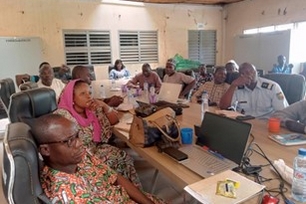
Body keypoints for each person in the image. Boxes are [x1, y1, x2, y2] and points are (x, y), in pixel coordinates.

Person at [31, 114, 166, 203]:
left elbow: (115, 177)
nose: (79, 143)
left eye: (77, 136)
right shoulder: (68, 195)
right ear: (45, 150)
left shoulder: (79, 157)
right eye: (68, 141)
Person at [54, 79, 142, 188]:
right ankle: (117, 191)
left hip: (95, 149)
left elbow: (114, 121)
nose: (88, 96)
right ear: (72, 98)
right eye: (83, 93)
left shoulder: (91, 110)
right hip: (78, 157)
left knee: (123, 156)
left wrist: (104, 106)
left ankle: (130, 192)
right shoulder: (63, 115)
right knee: (114, 160)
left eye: (89, 93)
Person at [219, 62, 288, 118]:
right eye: (243, 73)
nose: (249, 75)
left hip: (266, 125)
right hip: (244, 123)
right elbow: (223, 106)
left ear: (257, 73)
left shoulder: (273, 87)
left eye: (252, 72)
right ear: (239, 76)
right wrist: (233, 85)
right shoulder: (237, 87)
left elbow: (283, 112)